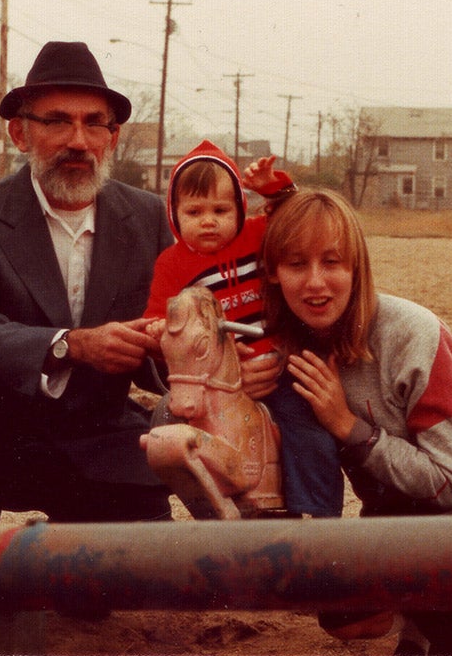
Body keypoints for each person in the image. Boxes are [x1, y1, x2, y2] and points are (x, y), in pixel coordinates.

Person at [257, 189, 452, 656]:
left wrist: (346, 425)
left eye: (332, 262)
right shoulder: (278, 346)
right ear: (274, 273)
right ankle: (427, 615)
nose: (316, 283)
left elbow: (451, 482)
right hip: (404, 501)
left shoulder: (415, 331)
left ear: (358, 268)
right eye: (297, 265)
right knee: (342, 611)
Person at [0, 41, 173, 524]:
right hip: (2, 431)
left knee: (117, 580)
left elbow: (163, 353)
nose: (78, 141)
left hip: (100, 429)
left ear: (114, 137)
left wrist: (167, 344)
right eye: (58, 121)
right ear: (20, 133)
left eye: (93, 123)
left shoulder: (148, 216)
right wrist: (74, 346)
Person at [143, 140, 344, 517]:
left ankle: (317, 514)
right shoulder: (172, 265)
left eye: (221, 209)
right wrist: (157, 331)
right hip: (217, 377)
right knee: (177, 422)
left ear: (240, 208)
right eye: (194, 211)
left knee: (308, 434)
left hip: (280, 365)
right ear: (174, 214)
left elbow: (292, 216)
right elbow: (159, 317)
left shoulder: (255, 236)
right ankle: (215, 501)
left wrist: (272, 186)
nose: (208, 220)